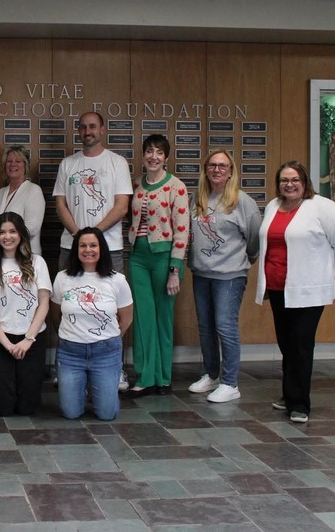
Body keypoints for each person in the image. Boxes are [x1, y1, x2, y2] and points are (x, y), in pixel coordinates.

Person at [256, 161, 335, 424]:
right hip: (278, 288)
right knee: (286, 343)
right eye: (284, 180)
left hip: (307, 290)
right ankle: (289, 393)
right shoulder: (273, 206)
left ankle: (300, 404)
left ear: (305, 182)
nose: (290, 184)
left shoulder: (323, 207)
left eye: (295, 179)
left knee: (300, 344)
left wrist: (321, 270)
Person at [187, 150, 261, 403]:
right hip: (201, 273)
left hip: (229, 276)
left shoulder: (242, 201)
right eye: (212, 165)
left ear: (231, 171)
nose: (217, 170)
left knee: (225, 327)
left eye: (222, 166)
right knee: (206, 327)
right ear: (205, 169)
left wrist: (243, 261)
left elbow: (254, 239)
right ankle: (211, 374)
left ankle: (231, 383)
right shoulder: (198, 197)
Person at [124, 134, 190, 397]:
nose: (153, 157)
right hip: (138, 258)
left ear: (166, 157)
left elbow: (182, 231)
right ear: (143, 155)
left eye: (159, 152)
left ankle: (163, 377)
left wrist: (175, 270)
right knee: (143, 319)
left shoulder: (177, 187)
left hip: (165, 260)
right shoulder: (136, 185)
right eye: (149, 151)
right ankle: (145, 376)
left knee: (163, 319)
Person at [0, 212, 51, 416]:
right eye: (2, 232)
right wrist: (7, 344)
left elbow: (44, 304)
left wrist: (28, 339)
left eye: (13, 231)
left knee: (28, 408)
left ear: (22, 234)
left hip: (31, 339)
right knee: (2, 409)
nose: (7, 237)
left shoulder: (38, 263)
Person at [52, 227, 134, 421]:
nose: (88, 250)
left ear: (101, 249)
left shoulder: (117, 280)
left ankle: (98, 385)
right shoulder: (62, 278)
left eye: (93, 245)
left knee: (107, 414)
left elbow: (126, 318)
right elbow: (56, 315)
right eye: (83, 245)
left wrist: (107, 337)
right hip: (70, 352)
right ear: (76, 249)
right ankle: (80, 385)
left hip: (105, 352)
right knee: (71, 413)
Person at [53, 111, 132, 271]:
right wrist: (78, 235)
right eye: (83, 127)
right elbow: (61, 205)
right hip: (71, 246)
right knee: (68, 294)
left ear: (102, 129)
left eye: (92, 127)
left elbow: (122, 207)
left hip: (109, 247)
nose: (87, 131)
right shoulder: (67, 164)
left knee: (110, 295)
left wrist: (93, 235)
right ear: (78, 131)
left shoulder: (118, 163)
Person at [0, 145, 46, 255]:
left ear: (26, 165)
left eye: (18, 161)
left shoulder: (34, 190)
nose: (13, 164)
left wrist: (0, 236)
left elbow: (32, 228)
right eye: (9, 161)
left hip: (25, 256)